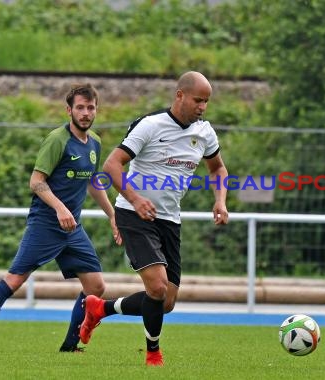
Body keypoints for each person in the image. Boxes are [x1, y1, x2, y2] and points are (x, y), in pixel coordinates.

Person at [78, 71, 229, 366]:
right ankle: (153, 354)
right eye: (198, 100)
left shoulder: (205, 132)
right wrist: (135, 198)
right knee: (157, 288)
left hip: (169, 220)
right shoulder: (150, 125)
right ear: (180, 95)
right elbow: (112, 165)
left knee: (167, 302)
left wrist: (220, 200)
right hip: (133, 213)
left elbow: (217, 169)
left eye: (207, 102)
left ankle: (100, 309)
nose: (202, 107)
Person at [0, 83, 121, 353]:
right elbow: (36, 182)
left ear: (96, 110)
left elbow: (93, 182)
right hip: (46, 223)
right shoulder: (57, 139)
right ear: (69, 110)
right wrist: (59, 207)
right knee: (15, 280)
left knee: (95, 286)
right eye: (80, 107)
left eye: (90, 107)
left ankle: (69, 347)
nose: (85, 113)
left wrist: (113, 214)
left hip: (72, 228)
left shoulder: (94, 142)